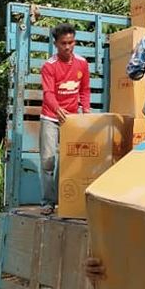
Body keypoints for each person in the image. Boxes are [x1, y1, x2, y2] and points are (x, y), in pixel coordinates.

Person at [39, 22, 91, 215]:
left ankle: (65, 201)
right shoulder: (49, 66)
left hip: (72, 120)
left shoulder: (82, 63)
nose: (68, 47)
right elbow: (48, 93)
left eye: (71, 42)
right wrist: (57, 108)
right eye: (63, 43)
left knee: (69, 160)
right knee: (48, 161)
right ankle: (47, 202)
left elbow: (85, 90)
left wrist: (85, 109)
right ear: (56, 44)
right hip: (50, 117)